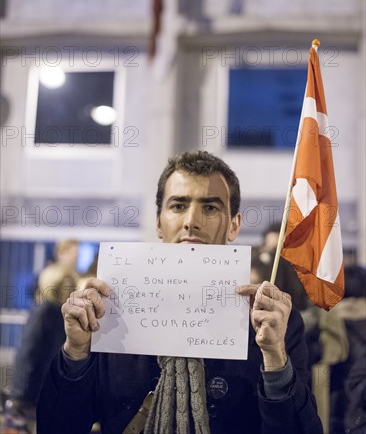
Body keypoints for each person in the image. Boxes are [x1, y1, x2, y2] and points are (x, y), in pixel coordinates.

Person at [37, 151, 322, 434]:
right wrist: (75, 354)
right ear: (159, 223)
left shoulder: (270, 323)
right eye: (178, 206)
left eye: (210, 208)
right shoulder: (110, 314)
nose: (191, 221)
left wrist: (274, 359)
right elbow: (57, 426)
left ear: (234, 225)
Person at [3, 263, 78, 433]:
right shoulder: (46, 312)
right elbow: (27, 354)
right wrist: (20, 396)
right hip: (36, 395)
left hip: (47, 393)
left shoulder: (59, 312)